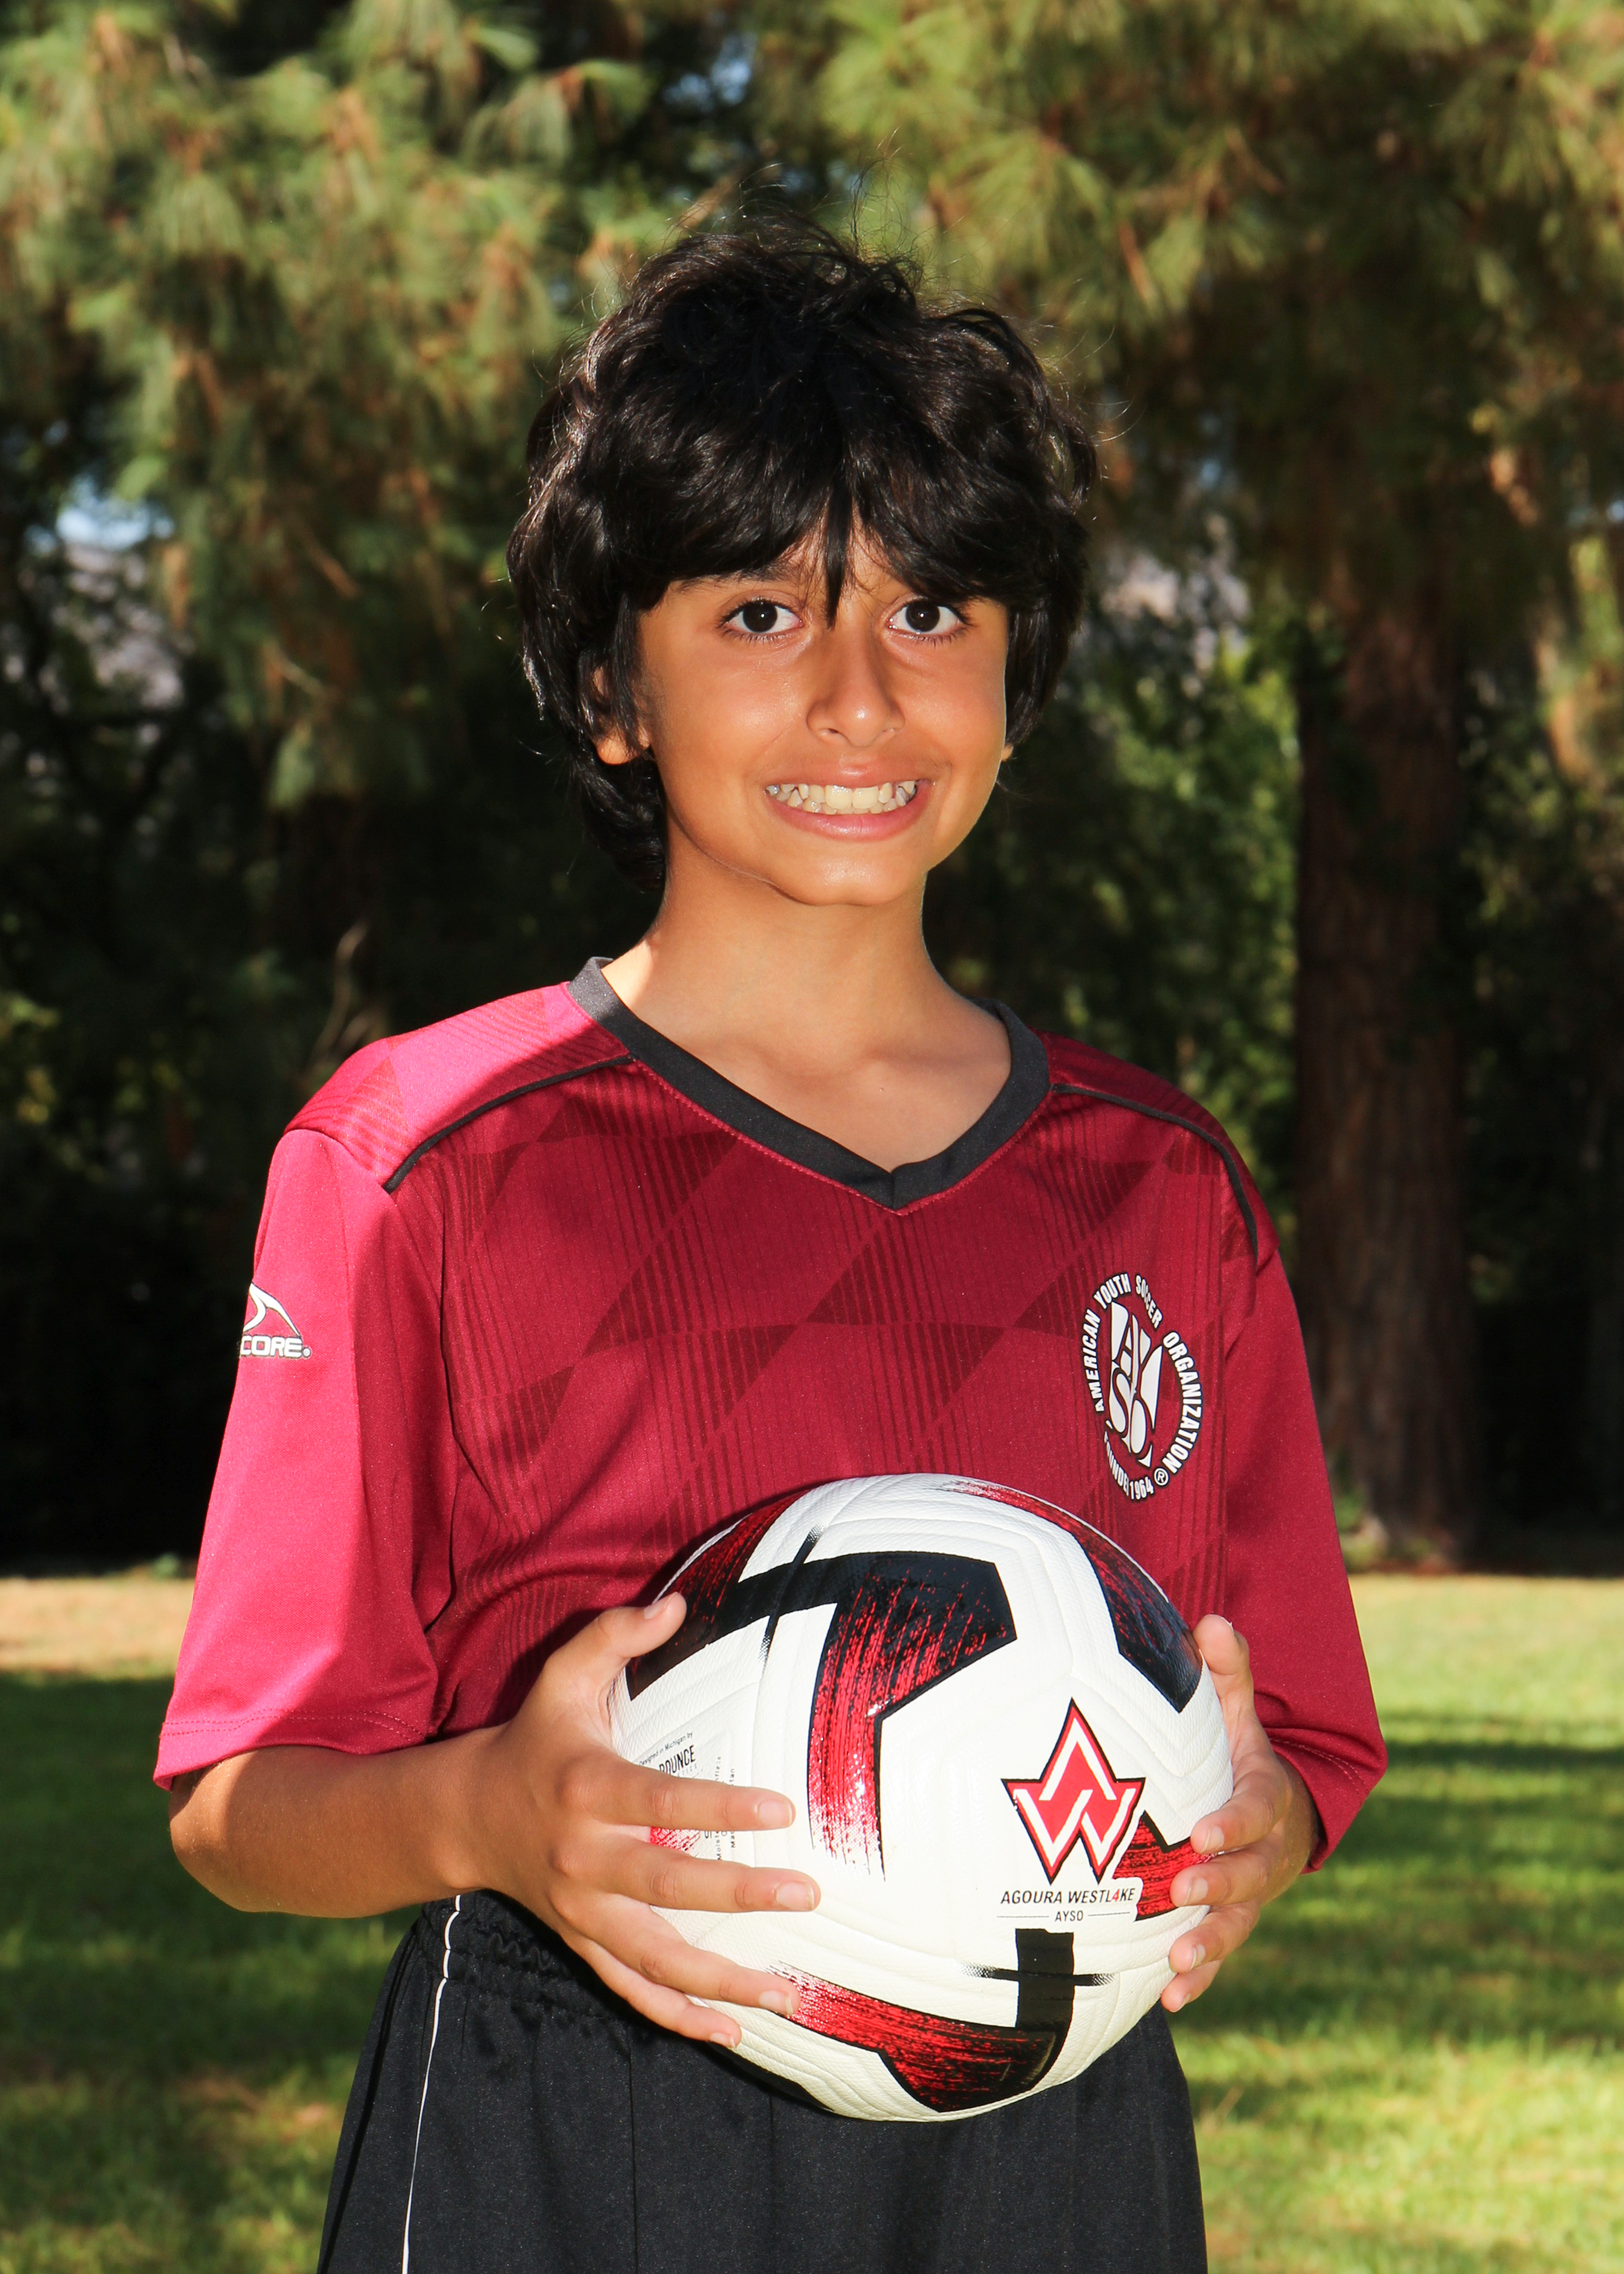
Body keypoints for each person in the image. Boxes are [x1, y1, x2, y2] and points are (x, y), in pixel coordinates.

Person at [159, 220, 1385, 2274]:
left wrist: (1264, 1816)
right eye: (755, 610)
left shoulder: (1159, 1187)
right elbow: (234, 1800)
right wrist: (484, 1812)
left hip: (1055, 2136)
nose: (856, 692)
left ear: (1014, 674)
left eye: (928, 606)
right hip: (583, 2127)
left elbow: (1303, 1737)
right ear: (607, 686)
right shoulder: (417, 1158)